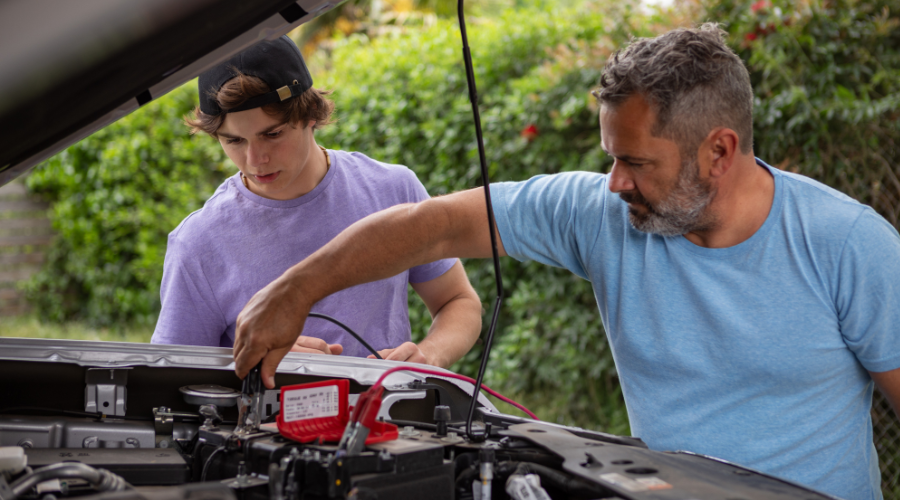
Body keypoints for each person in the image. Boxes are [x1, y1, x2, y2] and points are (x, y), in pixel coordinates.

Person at [230, 25, 900, 499]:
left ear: (719, 151)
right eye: (612, 156)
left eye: (636, 162)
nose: (614, 183)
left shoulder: (846, 245)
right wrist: (296, 289)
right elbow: (431, 228)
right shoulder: (601, 216)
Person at [150, 35, 482, 368]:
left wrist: (429, 355)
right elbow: (172, 374)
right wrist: (253, 360)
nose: (254, 159)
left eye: (272, 134)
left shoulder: (393, 190)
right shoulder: (198, 242)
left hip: (381, 417)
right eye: (234, 140)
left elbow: (458, 301)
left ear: (310, 114)